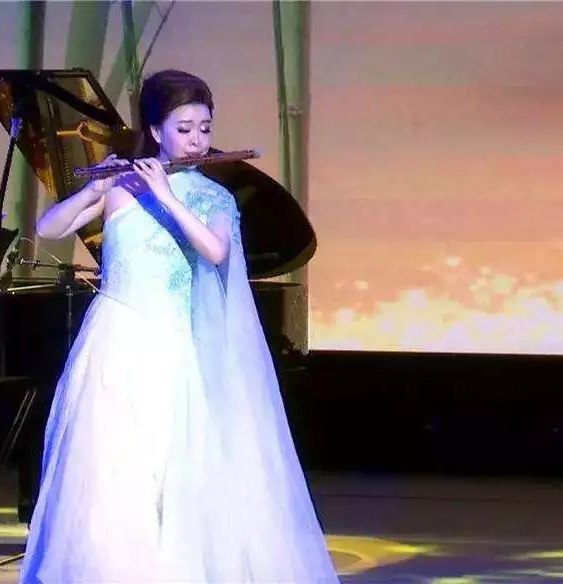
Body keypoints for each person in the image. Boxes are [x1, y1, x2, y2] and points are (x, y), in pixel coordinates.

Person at [19, 70, 339, 582]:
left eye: (205, 128)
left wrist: (167, 196)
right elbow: (49, 227)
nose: (196, 140)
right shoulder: (120, 188)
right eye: (184, 128)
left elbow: (215, 252)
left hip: (176, 350)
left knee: (171, 466)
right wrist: (95, 187)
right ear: (155, 130)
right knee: (109, 469)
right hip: (114, 344)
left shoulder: (215, 198)